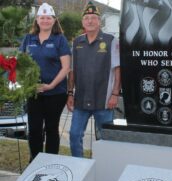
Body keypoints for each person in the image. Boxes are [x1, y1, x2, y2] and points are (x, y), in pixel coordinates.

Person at [67, 1, 120, 157]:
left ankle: (104, 168)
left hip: (104, 100)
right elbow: (72, 71)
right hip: (81, 100)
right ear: (83, 22)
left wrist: (115, 94)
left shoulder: (111, 41)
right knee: (74, 135)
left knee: (106, 139)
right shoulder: (77, 42)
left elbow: (117, 69)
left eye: (93, 17)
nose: (90, 21)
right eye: (87, 18)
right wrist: (70, 93)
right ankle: (79, 166)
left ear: (99, 21)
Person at [19, 3, 71, 162]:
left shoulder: (60, 40)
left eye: (49, 18)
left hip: (55, 93)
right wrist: (27, 83)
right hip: (33, 92)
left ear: (54, 20)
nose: (45, 20)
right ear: (37, 20)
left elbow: (66, 67)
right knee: (34, 129)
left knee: (51, 129)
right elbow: (20, 64)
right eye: (42, 17)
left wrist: (51, 85)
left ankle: (50, 162)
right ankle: (35, 161)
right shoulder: (28, 39)